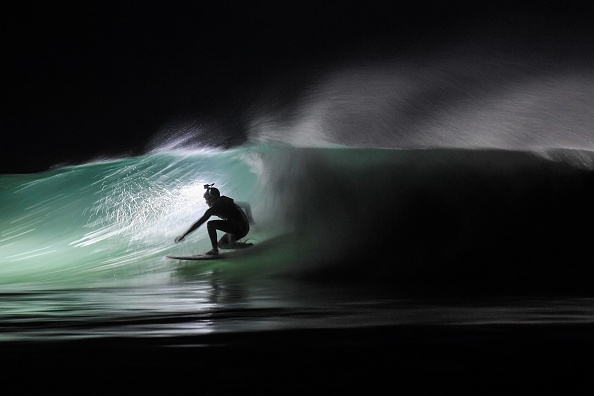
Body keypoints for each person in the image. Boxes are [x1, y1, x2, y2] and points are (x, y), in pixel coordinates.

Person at [175, 184, 254, 255]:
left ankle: (214, 250)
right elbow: (245, 205)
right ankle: (247, 247)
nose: (206, 202)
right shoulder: (225, 200)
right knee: (222, 244)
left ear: (211, 199)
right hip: (244, 227)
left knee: (210, 224)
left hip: (238, 228)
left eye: (206, 199)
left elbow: (199, 223)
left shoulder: (214, 208)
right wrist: (251, 222)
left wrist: (184, 234)